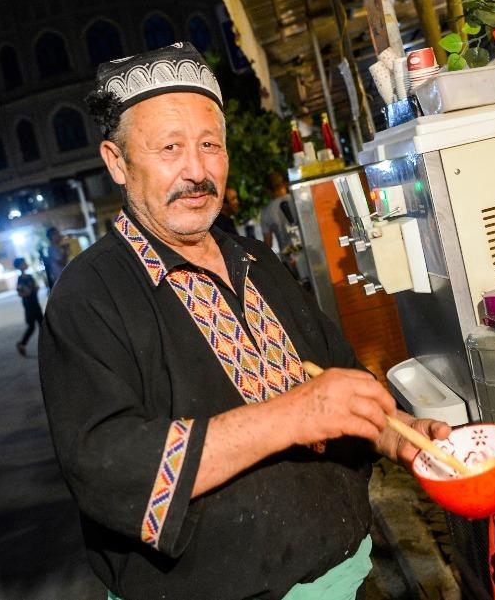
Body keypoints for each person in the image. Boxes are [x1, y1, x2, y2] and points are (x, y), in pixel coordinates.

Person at [39, 42, 451, 600]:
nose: (196, 171)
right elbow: (112, 471)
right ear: (117, 162)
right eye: (170, 148)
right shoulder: (89, 297)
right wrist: (293, 416)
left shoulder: (257, 260)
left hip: (349, 575)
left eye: (210, 145)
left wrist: (396, 435)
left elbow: (341, 383)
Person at [260, 171, 309, 282]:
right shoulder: (298, 200)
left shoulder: (266, 212)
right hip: (308, 250)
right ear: (285, 184)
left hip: (289, 257)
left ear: (268, 190)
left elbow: (268, 244)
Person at [14, 257, 43, 356]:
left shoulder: (30, 276)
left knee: (42, 325)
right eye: (23, 263)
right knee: (32, 327)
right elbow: (20, 293)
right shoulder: (20, 279)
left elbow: (35, 288)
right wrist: (26, 292)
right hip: (29, 306)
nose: (25, 264)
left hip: (35, 303)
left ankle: (48, 345)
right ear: (19, 266)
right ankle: (22, 344)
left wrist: (35, 289)